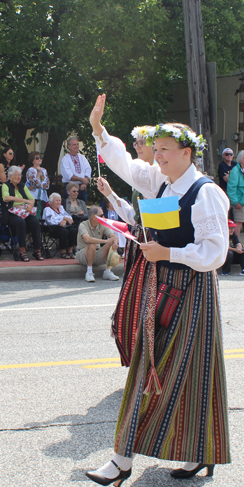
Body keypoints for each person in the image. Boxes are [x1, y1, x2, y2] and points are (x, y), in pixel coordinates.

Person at [86, 94, 230, 487]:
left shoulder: (205, 192)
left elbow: (216, 253)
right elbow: (126, 165)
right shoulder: (162, 182)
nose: (157, 156)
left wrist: (168, 251)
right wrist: (99, 130)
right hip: (164, 285)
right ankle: (125, 459)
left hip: (193, 290)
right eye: (157, 150)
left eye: (165, 150)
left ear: (187, 153)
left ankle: (186, 453)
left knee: (188, 372)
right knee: (150, 368)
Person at [97, 125, 156, 366]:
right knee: (133, 304)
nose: (137, 146)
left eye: (143, 142)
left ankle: (152, 361)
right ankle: (140, 359)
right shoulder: (140, 180)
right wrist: (111, 194)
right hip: (139, 244)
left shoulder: (160, 177)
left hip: (155, 246)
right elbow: (134, 217)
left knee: (149, 304)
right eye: (136, 142)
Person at [1, 165, 43, 262]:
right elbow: (6, 198)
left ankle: (37, 249)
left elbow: (32, 199)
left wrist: (30, 205)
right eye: (17, 175)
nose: (19, 177)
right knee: (21, 223)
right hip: (11, 212)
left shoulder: (22, 185)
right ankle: (22, 250)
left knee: (35, 222)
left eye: (20, 175)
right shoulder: (5, 185)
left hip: (24, 211)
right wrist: (24, 200)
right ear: (10, 176)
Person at [75, 205, 120, 282]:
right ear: (94, 217)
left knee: (111, 243)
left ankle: (107, 271)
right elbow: (88, 239)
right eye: (101, 215)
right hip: (83, 255)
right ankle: (89, 272)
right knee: (92, 244)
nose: (104, 216)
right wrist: (106, 241)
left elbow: (114, 236)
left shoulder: (102, 224)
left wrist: (115, 242)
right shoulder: (83, 225)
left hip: (97, 253)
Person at [42, 193, 77, 258]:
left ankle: (70, 250)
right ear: (51, 202)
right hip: (51, 228)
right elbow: (51, 221)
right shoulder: (47, 209)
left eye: (59, 200)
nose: (58, 202)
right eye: (56, 200)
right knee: (64, 231)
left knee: (73, 230)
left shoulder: (61, 208)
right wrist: (63, 218)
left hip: (62, 226)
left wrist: (65, 220)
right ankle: (63, 251)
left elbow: (69, 217)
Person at [227, 150, 244, 237]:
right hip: (239, 201)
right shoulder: (236, 171)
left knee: (240, 223)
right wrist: (235, 202)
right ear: (240, 159)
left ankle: (237, 243)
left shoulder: (243, 171)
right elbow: (231, 188)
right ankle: (237, 244)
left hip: (243, 201)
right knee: (237, 223)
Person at [60, 136, 92, 201]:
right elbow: (68, 175)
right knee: (70, 208)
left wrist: (84, 183)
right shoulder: (65, 159)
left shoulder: (82, 158)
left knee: (82, 207)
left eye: (77, 144)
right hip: (70, 186)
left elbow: (88, 169)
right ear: (69, 146)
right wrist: (82, 179)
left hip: (82, 187)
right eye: (74, 144)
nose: (77, 146)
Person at [0, 146, 17, 216]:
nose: (12, 155)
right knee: (2, 208)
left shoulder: (12, 166)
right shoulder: (1, 165)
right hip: (4, 188)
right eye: (10, 153)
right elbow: (3, 180)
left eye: (13, 153)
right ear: (4, 154)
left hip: (11, 188)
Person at [26, 151, 49, 215]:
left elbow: (47, 185)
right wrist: (38, 173)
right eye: (37, 158)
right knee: (34, 212)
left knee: (41, 212)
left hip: (43, 196)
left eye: (40, 158)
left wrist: (39, 185)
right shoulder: (30, 170)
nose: (39, 159)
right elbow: (34, 183)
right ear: (32, 161)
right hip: (33, 195)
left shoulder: (44, 170)